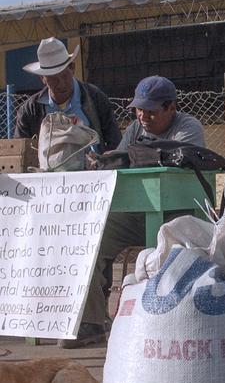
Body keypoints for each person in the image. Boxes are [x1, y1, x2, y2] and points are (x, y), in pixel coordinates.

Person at [57, 75, 206, 348]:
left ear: (171, 107)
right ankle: (91, 322)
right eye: (139, 110)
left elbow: (177, 156)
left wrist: (128, 156)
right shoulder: (136, 128)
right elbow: (123, 160)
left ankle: (163, 323)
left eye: (150, 111)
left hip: (178, 216)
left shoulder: (189, 127)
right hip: (138, 211)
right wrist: (105, 161)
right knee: (90, 240)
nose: (143, 117)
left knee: (163, 253)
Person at [15, 37, 121, 151]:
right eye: (53, 79)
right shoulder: (30, 110)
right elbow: (20, 151)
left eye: (65, 76)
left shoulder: (95, 97)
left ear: (73, 68)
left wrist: (101, 161)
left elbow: (115, 143)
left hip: (93, 168)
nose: (61, 84)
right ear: (42, 78)